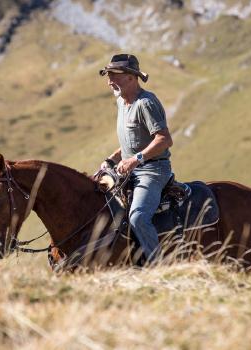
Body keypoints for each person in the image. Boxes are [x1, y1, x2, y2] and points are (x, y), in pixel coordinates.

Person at [99, 53, 173, 263]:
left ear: (132, 78)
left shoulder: (146, 103)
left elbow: (164, 139)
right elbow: (130, 144)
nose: (110, 82)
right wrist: (111, 160)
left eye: (115, 76)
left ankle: (158, 268)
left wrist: (135, 160)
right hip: (130, 169)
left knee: (137, 217)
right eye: (108, 76)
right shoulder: (123, 103)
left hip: (153, 170)